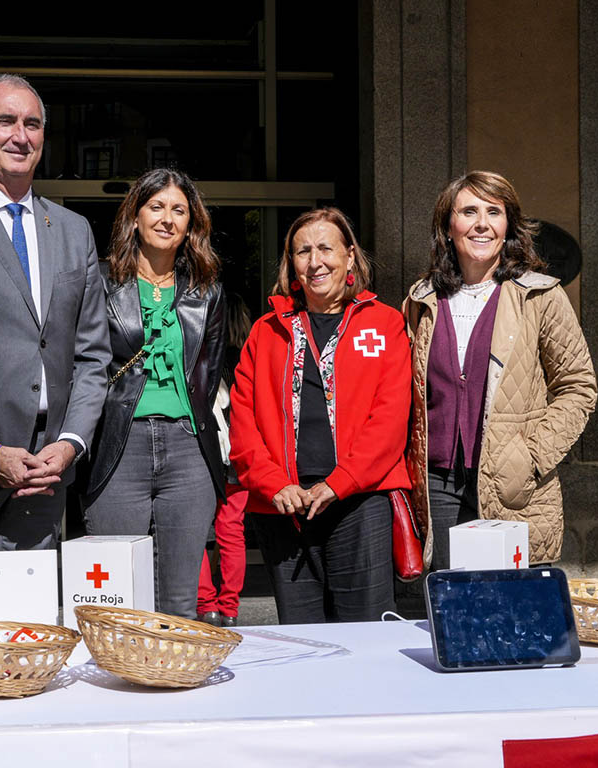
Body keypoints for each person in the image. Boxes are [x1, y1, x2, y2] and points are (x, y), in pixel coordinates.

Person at [0, 74, 111, 551]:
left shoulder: (74, 231)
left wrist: (70, 442)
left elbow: (92, 356)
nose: (20, 136)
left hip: (48, 468)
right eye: (6, 121)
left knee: (30, 616)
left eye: (32, 124)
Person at [404, 171, 597, 570]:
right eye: (469, 211)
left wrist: (531, 457)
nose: (482, 223)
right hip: (438, 486)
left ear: (508, 225)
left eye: (494, 212)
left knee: (516, 617)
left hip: (514, 485)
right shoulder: (421, 301)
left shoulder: (540, 295)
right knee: (454, 612)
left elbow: (578, 386)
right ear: (448, 224)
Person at [229, 207, 412, 623]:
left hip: (359, 505)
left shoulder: (385, 325)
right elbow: (242, 421)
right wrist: (273, 483)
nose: (315, 262)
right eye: (302, 251)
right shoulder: (266, 330)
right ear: (291, 263)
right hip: (283, 509)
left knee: (366, 640)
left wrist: (339, 483)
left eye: (326, 248)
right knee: (303, 642)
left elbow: (390, 420)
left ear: (350, 256)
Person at [82, 168, 226, 620]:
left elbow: (209, 373)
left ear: (191, 225)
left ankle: (174, 685)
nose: (167, 219)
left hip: (187, 450)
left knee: (181, 600)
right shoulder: (102, 284)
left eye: (179, 210)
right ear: (136, 217)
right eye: (157, 207)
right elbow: (85, 366)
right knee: (115, 595)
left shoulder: (208, 293)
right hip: (120, 444)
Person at [197, 293, 253, 627]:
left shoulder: (205, 356)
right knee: (232, 531)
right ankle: (230, 607)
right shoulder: (250, 358)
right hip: (239, 454)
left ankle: (206, 604)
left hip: (207, 452)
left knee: (195, 531)